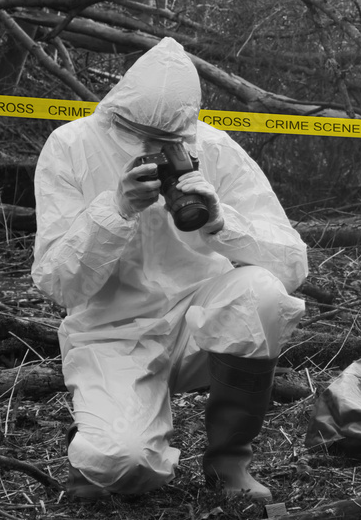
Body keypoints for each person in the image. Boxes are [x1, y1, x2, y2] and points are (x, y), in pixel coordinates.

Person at [31, 37, 308, 502]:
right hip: (111, 334)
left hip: (199, 325)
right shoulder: (71, 145)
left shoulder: (216, 149)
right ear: (115, 114)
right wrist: (115, 210)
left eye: (166, 142)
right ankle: (111, 431)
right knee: (119, 465)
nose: (152, 151)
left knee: (261, 292)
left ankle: (229, 463)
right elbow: (59, 284)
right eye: (137, 135)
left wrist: (224, 224)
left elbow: (293, 264)